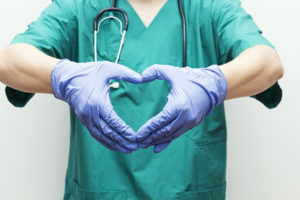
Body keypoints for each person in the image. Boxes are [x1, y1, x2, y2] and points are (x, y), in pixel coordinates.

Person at [0, 0, 284, 199]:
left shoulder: (209, 7)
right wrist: (65, 77)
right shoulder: (81, 6)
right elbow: (9, 62)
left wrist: (213, 85)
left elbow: (268, 64)